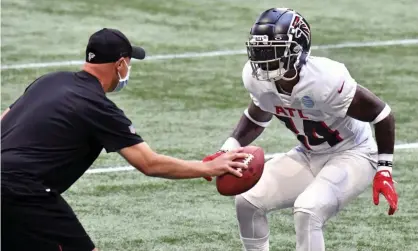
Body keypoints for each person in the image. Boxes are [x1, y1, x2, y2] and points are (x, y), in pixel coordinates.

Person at [1, 28, 248, 251]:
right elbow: (149, 164)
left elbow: (4, 119)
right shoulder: (98, 107)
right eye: (129, 63)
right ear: (120, 64)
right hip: (24, 191)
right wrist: (207, 167)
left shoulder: (49, 80)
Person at [203, 8, 399, 251]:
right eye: (259, 51)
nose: (262, 59)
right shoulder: (257, 78)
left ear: (296, 50)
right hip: (309, 153)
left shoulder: (325, 80)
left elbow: (382, 114)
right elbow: (257, 116)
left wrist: (384, 170)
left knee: (308, 209)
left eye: (271, 51)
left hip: (353, 154)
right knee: (247, 200)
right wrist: (228, 149)